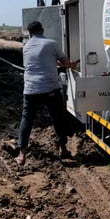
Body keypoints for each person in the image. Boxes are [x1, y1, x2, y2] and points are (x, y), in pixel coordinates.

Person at [16, 20, 75, 166]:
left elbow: (39, 63)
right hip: (50, 88)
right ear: (42, 30)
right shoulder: (51, 43)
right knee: (57, 118)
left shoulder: (26, 47)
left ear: (30, 34)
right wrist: (71, 64)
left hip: (31, 89)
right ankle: (62, 148)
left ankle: (21, 154)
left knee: (27, 119)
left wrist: (56, 62)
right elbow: (65, 63)